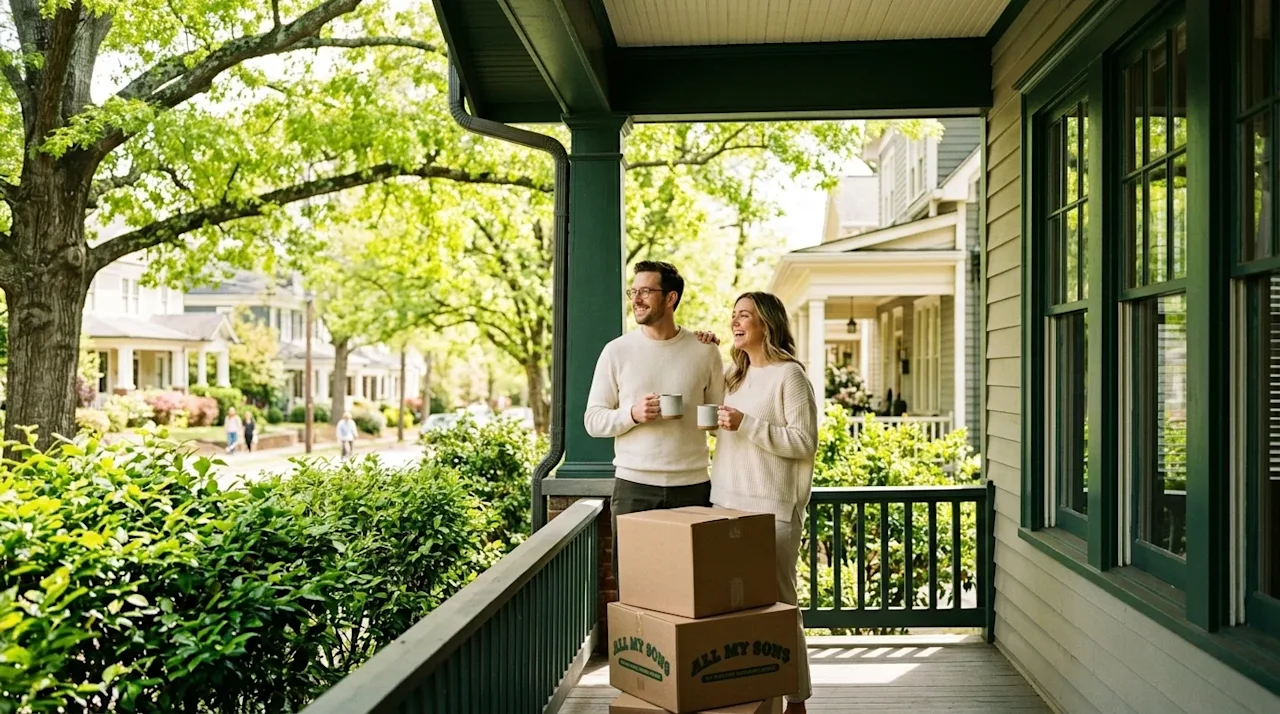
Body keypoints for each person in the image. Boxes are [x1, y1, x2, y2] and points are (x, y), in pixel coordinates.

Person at [702, 291, 817, 713]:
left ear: (766, 323)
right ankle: (749, 693)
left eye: (745, 315)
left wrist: (746, 424)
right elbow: (725, 426)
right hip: (724, 506)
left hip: (773, 511)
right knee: (733, 610)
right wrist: (702, 347)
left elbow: (803, 442)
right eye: (733, 315)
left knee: (781, 606)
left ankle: (796, 700)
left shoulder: (790, 376)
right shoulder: (735, 376)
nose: (735, 322)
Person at [584, 260, 725, 588]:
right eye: (633, 291)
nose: (636, 299)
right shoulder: (616, 351)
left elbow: (719, 418)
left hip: (693, 487)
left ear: (671, 298)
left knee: (693, 588)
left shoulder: (704, 351)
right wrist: (632, 414)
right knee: (635, 586)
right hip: (634, 488)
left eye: (646, 291)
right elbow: (593, 420)